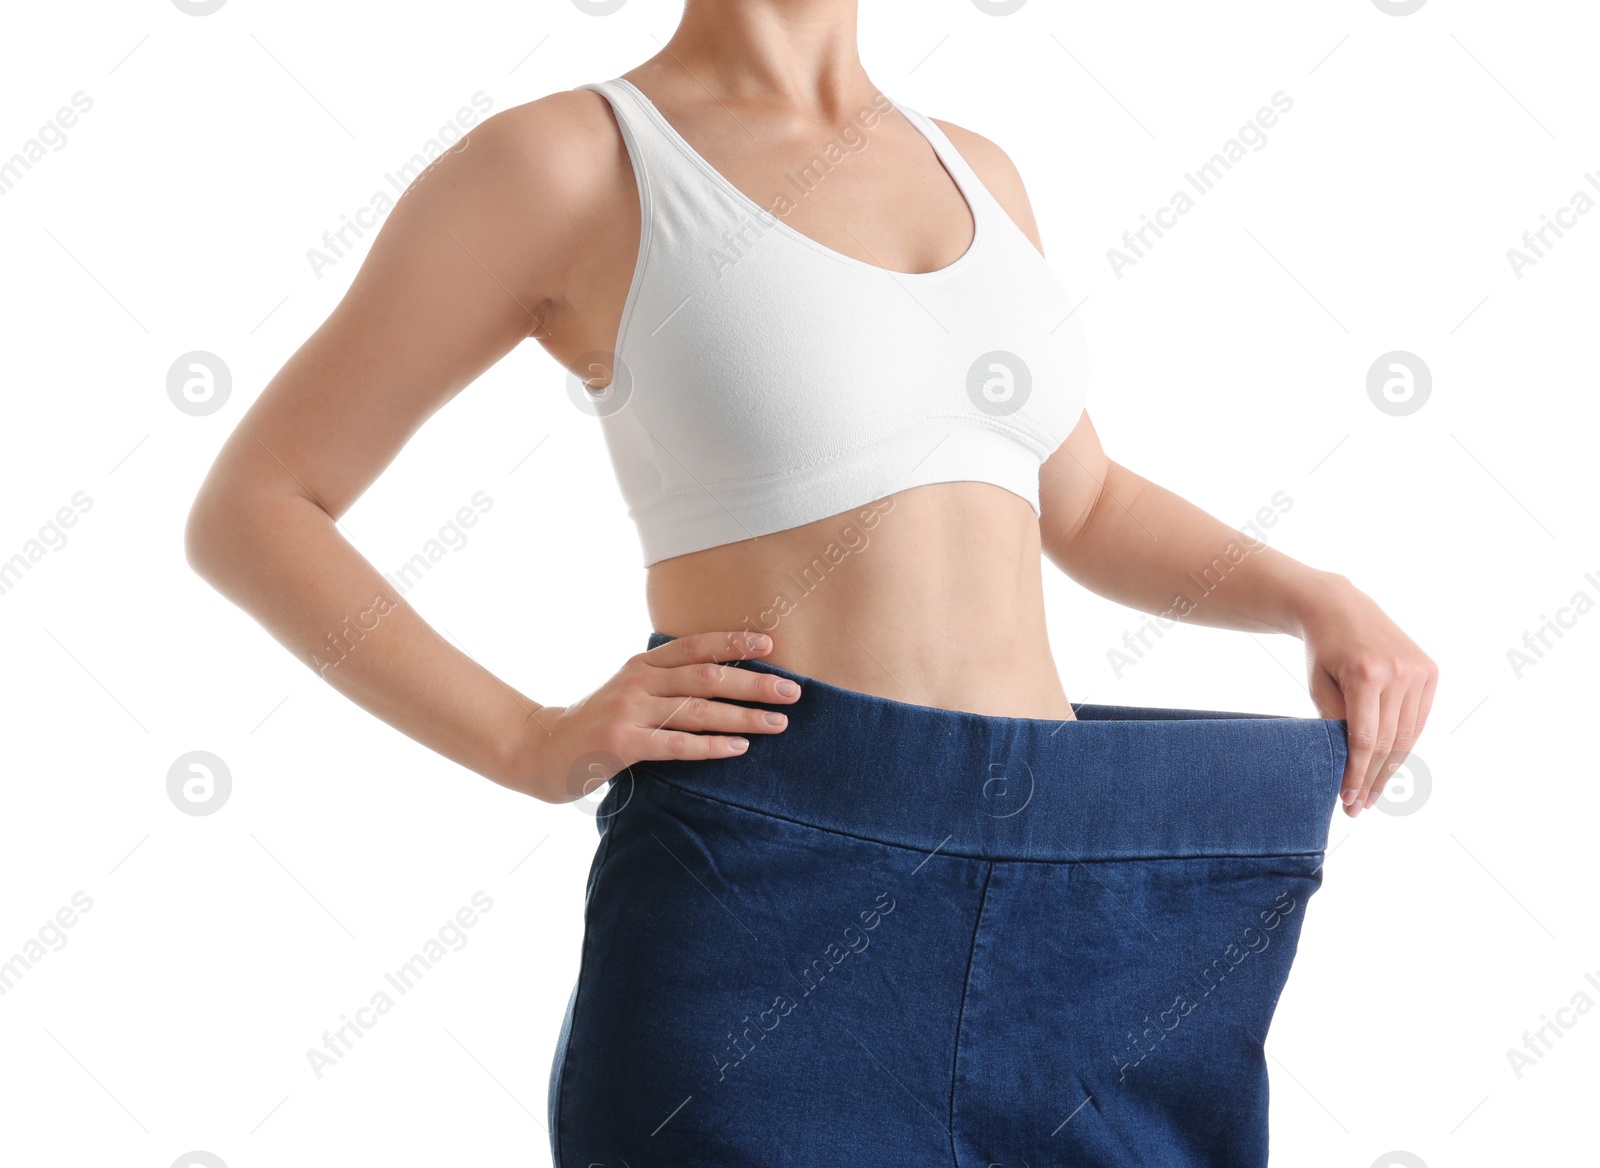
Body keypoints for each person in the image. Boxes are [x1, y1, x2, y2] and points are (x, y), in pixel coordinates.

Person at [185, 2, 1437, 1163]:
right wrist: (529, 739)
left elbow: (1084, 502)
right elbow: (256, 509)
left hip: (1079, 901)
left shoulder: (978, 171)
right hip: (771, 895)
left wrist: (1310, 593)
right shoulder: (572, 162)